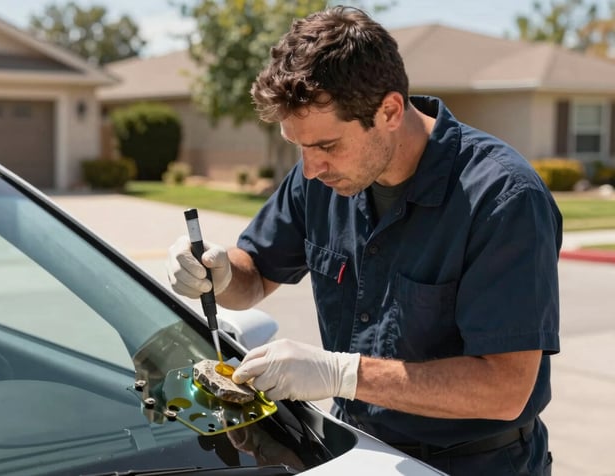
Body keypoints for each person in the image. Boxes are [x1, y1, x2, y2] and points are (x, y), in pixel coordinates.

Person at [167, 6, 560, 475]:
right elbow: (254, 274)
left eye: (327, 146)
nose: (310, 168)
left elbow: (504, 389)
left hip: (475, 464)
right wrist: (220, 271)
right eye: (300, 146)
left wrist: (342, 373)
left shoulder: (501, 198)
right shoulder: (320, 179)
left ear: (389, 110)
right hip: (355, 450)